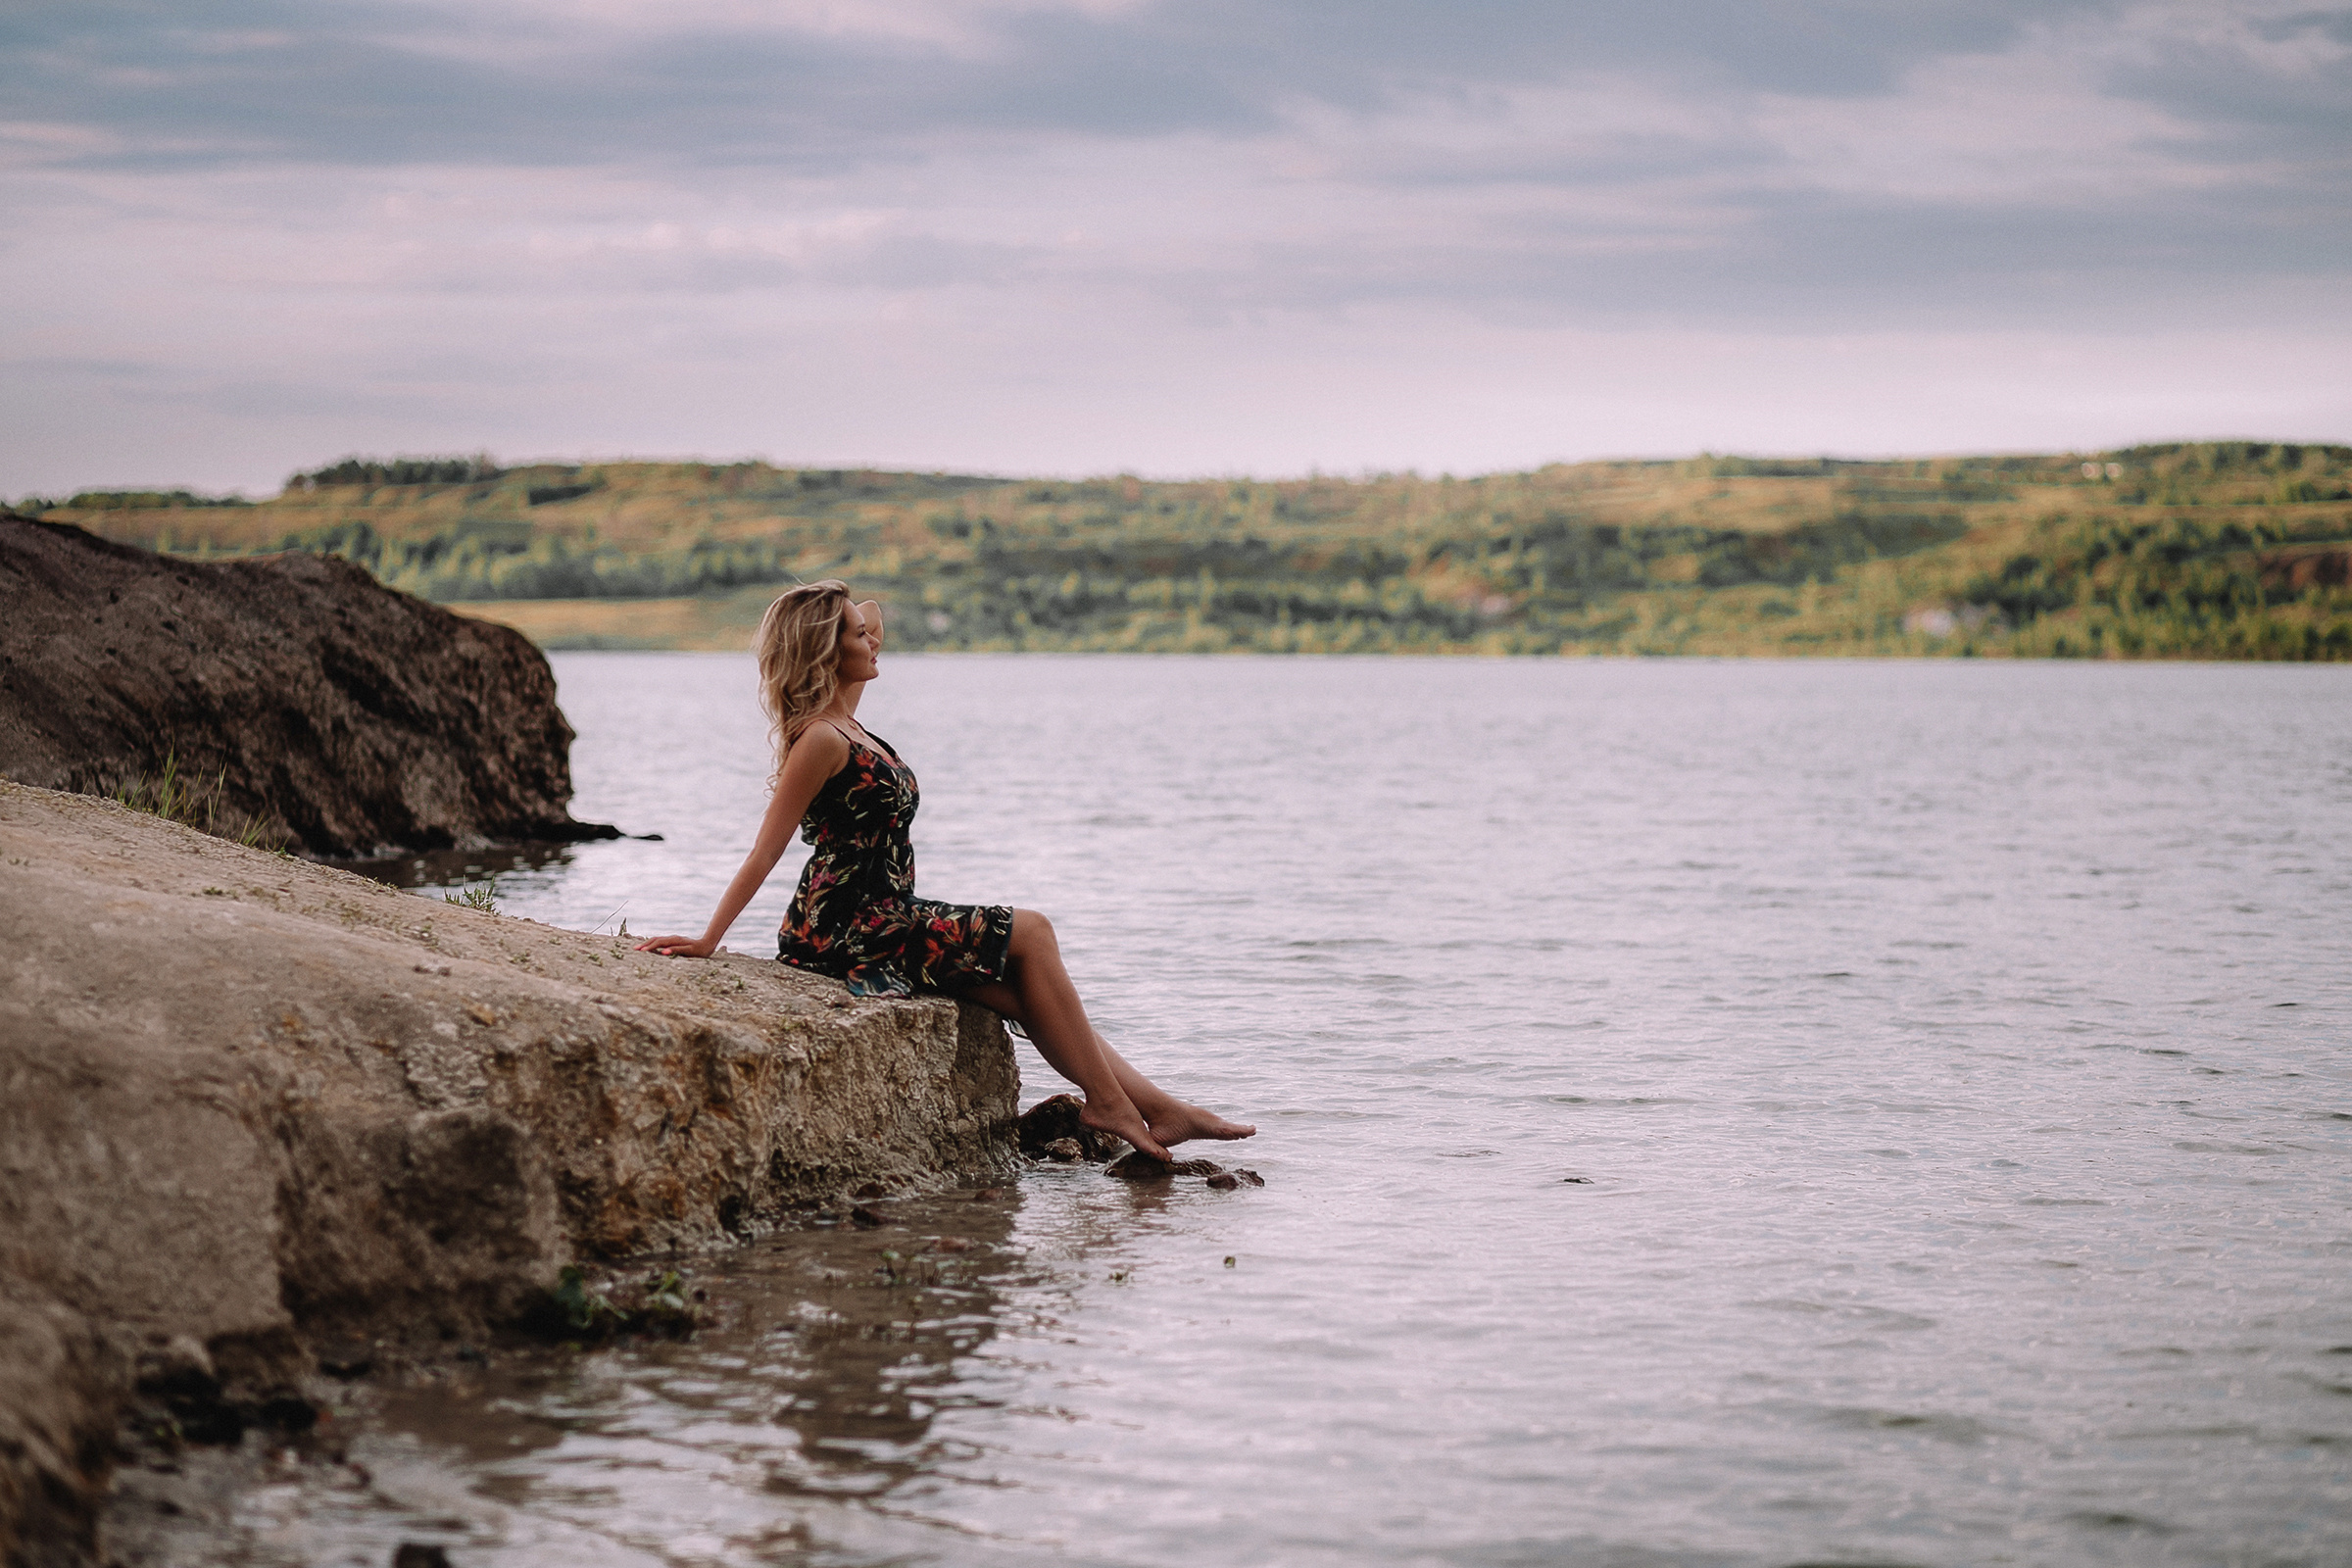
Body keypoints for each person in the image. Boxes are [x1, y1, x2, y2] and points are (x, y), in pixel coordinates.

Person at [635, 580, 1253, 1162]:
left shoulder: (851, 718)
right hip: (845, 926)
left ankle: (1160, 1108)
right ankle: (1112, 1104)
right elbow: (764, 852)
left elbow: (872, 613)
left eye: (865, 630)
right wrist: (709, 940)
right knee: (1032, 931)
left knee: (1029, 996)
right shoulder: (821, 739)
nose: (873, 639)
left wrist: (849, 609)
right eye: (856, 635)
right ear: (827, 650)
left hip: (887, 916)